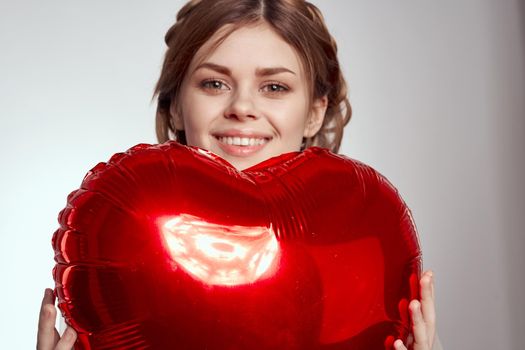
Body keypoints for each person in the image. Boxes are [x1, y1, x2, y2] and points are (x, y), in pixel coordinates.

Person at [37, 1, 440, 349]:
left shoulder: (368, 243)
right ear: (175, 105)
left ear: (315, 110)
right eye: (214, 83)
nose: (242, 106)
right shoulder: (117, 237)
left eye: (274, 87)